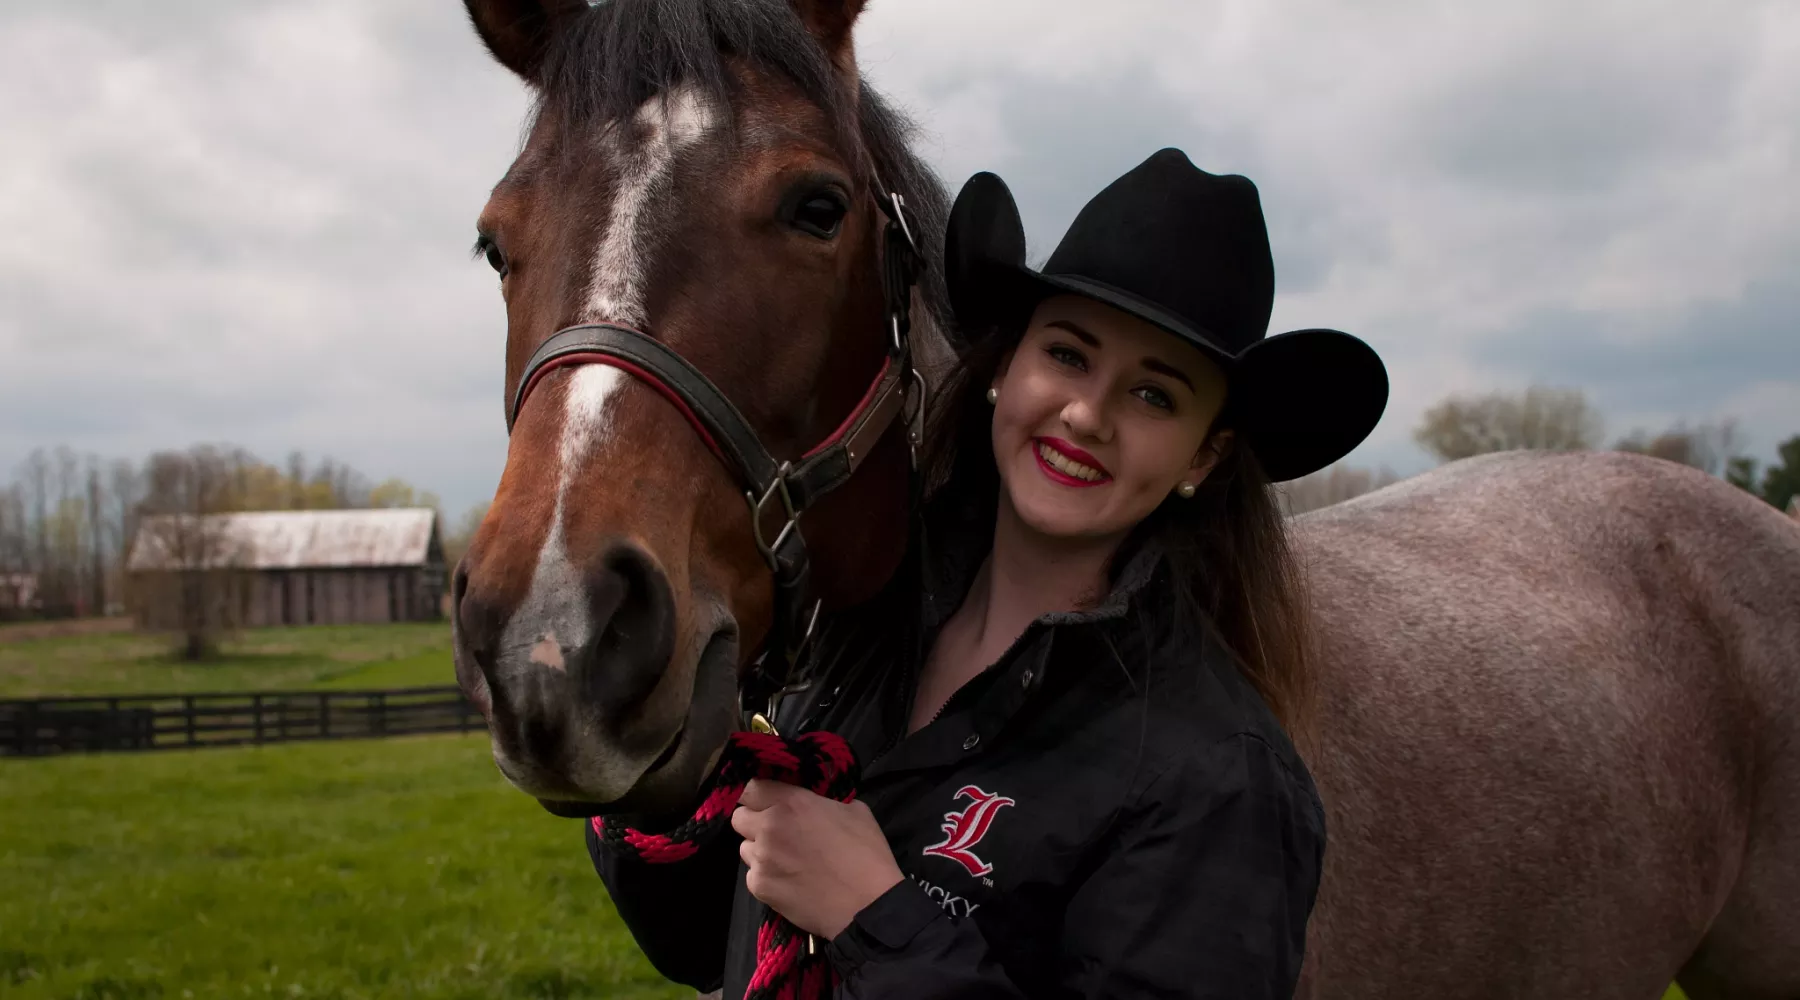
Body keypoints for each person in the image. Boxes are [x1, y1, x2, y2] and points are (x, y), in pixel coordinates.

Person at [589, 148, 1389, 999]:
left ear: (1206, 454)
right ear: (1006, 369)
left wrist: (874, 917)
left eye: (1154, 396)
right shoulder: (856, 629)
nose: (1087, 415)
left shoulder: (1221, 783)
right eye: (1069, 355)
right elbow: (696, 937)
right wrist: (649, 769)